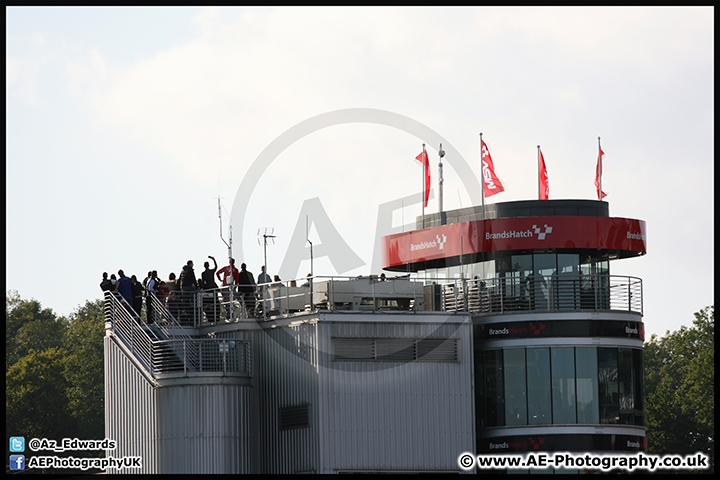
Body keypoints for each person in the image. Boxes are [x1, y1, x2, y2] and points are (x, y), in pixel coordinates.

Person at [202, 256, 220, 322]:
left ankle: (210, 317)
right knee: (216, 302)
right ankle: (216, 316)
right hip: (213, 288)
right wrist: (214, 260)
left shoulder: (203, 273)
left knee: (209, 304)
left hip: (207, 289)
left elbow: (203, 282)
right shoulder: (211, 272)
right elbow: (216, 267)